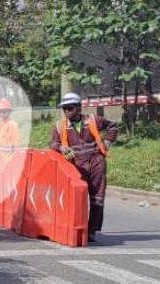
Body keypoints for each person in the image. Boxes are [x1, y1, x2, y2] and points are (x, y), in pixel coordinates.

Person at [49, 92, 119, 242]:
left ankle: (92, 231)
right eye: (64, 109)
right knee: (76, 197)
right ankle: (76, 228)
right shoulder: (60, 126)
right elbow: (52, 143)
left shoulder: (93, 120)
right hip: (76, 165)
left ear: (79, 108)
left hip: (96, 162)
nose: (67, 111)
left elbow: (113, 126)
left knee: (97, 198)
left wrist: (107, 142)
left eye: (70, 108)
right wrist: (60, 147)